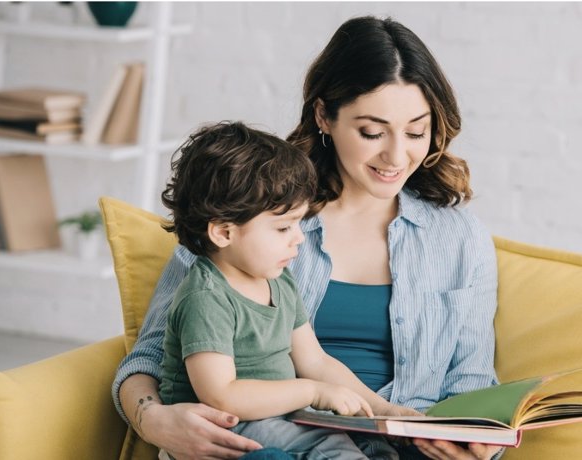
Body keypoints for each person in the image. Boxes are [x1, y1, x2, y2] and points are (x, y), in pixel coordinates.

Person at [113, 15, 503, 460]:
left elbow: (470, 381)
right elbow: (148, 358)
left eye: (416, 131)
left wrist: (476, 443)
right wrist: (155, 420)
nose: (397, 155)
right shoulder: (246, 210)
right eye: (372, 132)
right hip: (268, 438)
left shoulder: (458, 238)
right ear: (324, 116)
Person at [156, 120, 414, 460]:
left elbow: (315, 360)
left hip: (278, 423)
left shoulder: (278, 280)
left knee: (361, 447)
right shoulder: (206, 297)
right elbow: (223, 396)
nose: (299, 237)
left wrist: (379, 409)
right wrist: (313, 392)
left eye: (297, 223)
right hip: (225, 433)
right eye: (282, 227)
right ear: (223, 232)